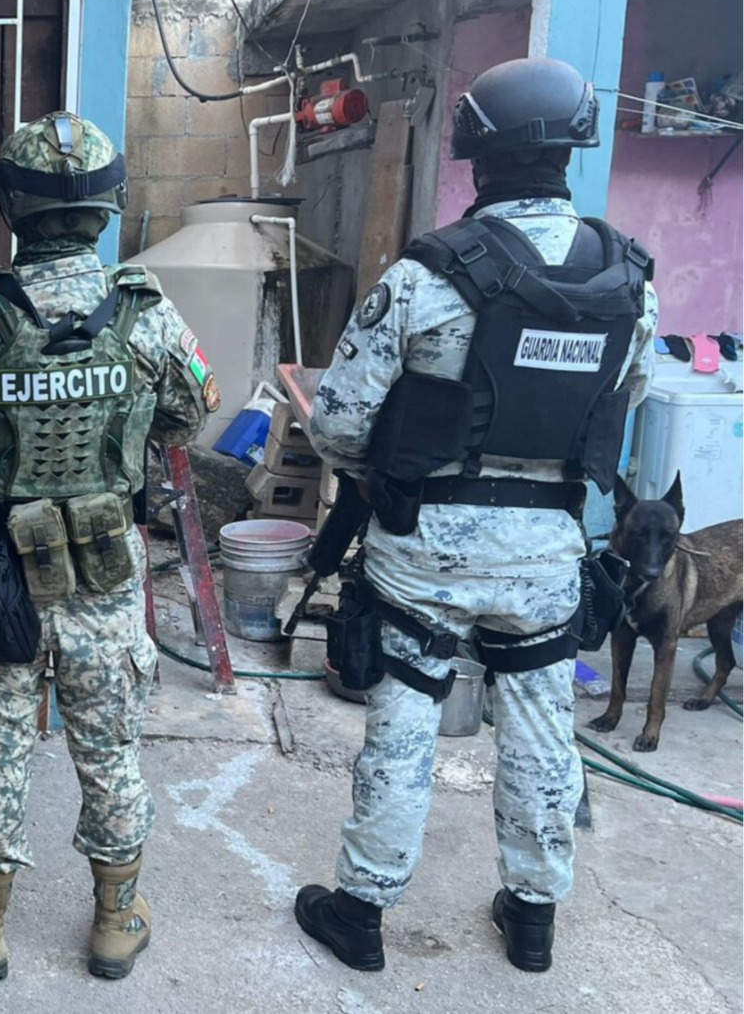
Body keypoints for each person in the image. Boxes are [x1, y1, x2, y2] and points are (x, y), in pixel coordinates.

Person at [293, 57, 658, 973]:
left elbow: (337, 424)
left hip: (424, 548)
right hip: (548, 554)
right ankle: (532, 919)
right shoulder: (630, 282)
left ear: (474, 152)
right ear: (573, 146)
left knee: (404, 722)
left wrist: (382, 481)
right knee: (540, 729)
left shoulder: (429, 274)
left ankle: (361, 911)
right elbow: (623, 404)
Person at [0, 111, 216, 983]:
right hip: (106, 575)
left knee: (0, 749)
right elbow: (189, 415)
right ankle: (116, 923)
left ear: (11, 206)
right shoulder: (146, 314)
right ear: (109, 205)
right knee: (109, 749)